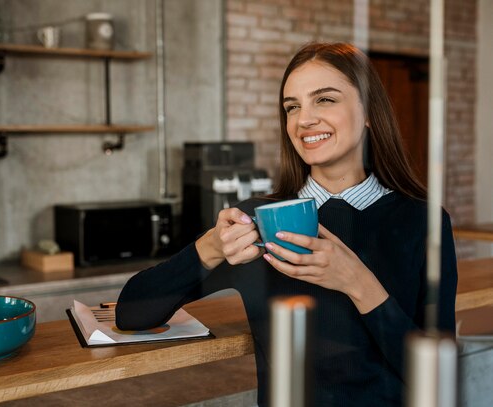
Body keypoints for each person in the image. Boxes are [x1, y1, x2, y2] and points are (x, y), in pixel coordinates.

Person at [115, 42, 457, 407]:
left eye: (324, 99)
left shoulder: (422, 221)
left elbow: (437, 377)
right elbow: (133, 312)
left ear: (370, 111)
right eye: (292, 107)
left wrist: (359, 284)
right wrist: (212, 246)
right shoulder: (259, 222)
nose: (303, 119)